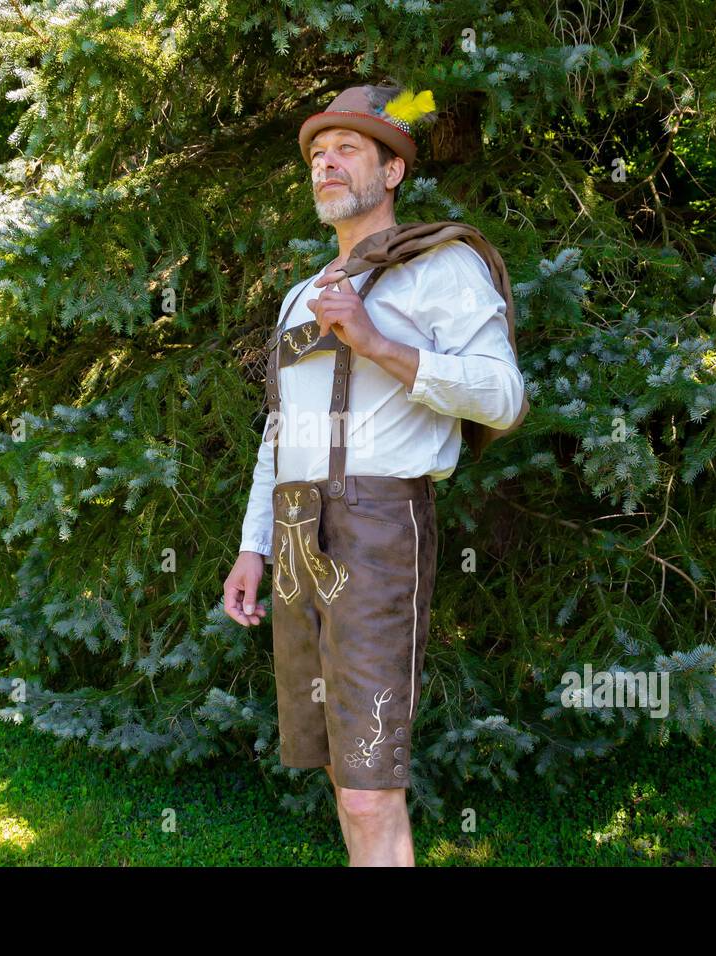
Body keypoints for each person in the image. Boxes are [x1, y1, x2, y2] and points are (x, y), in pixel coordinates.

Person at [222, 83, 525, 866]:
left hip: (380, 524)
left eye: (346, 150)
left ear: (392, 172)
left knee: (369, 781)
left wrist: (376, 340)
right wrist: (254, 544)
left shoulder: (443, 267)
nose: (325, 164)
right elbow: (281, 430)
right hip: (295, 533)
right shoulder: (302, 296)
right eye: (317, 154)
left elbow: (504, 396)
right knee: (333, 760)